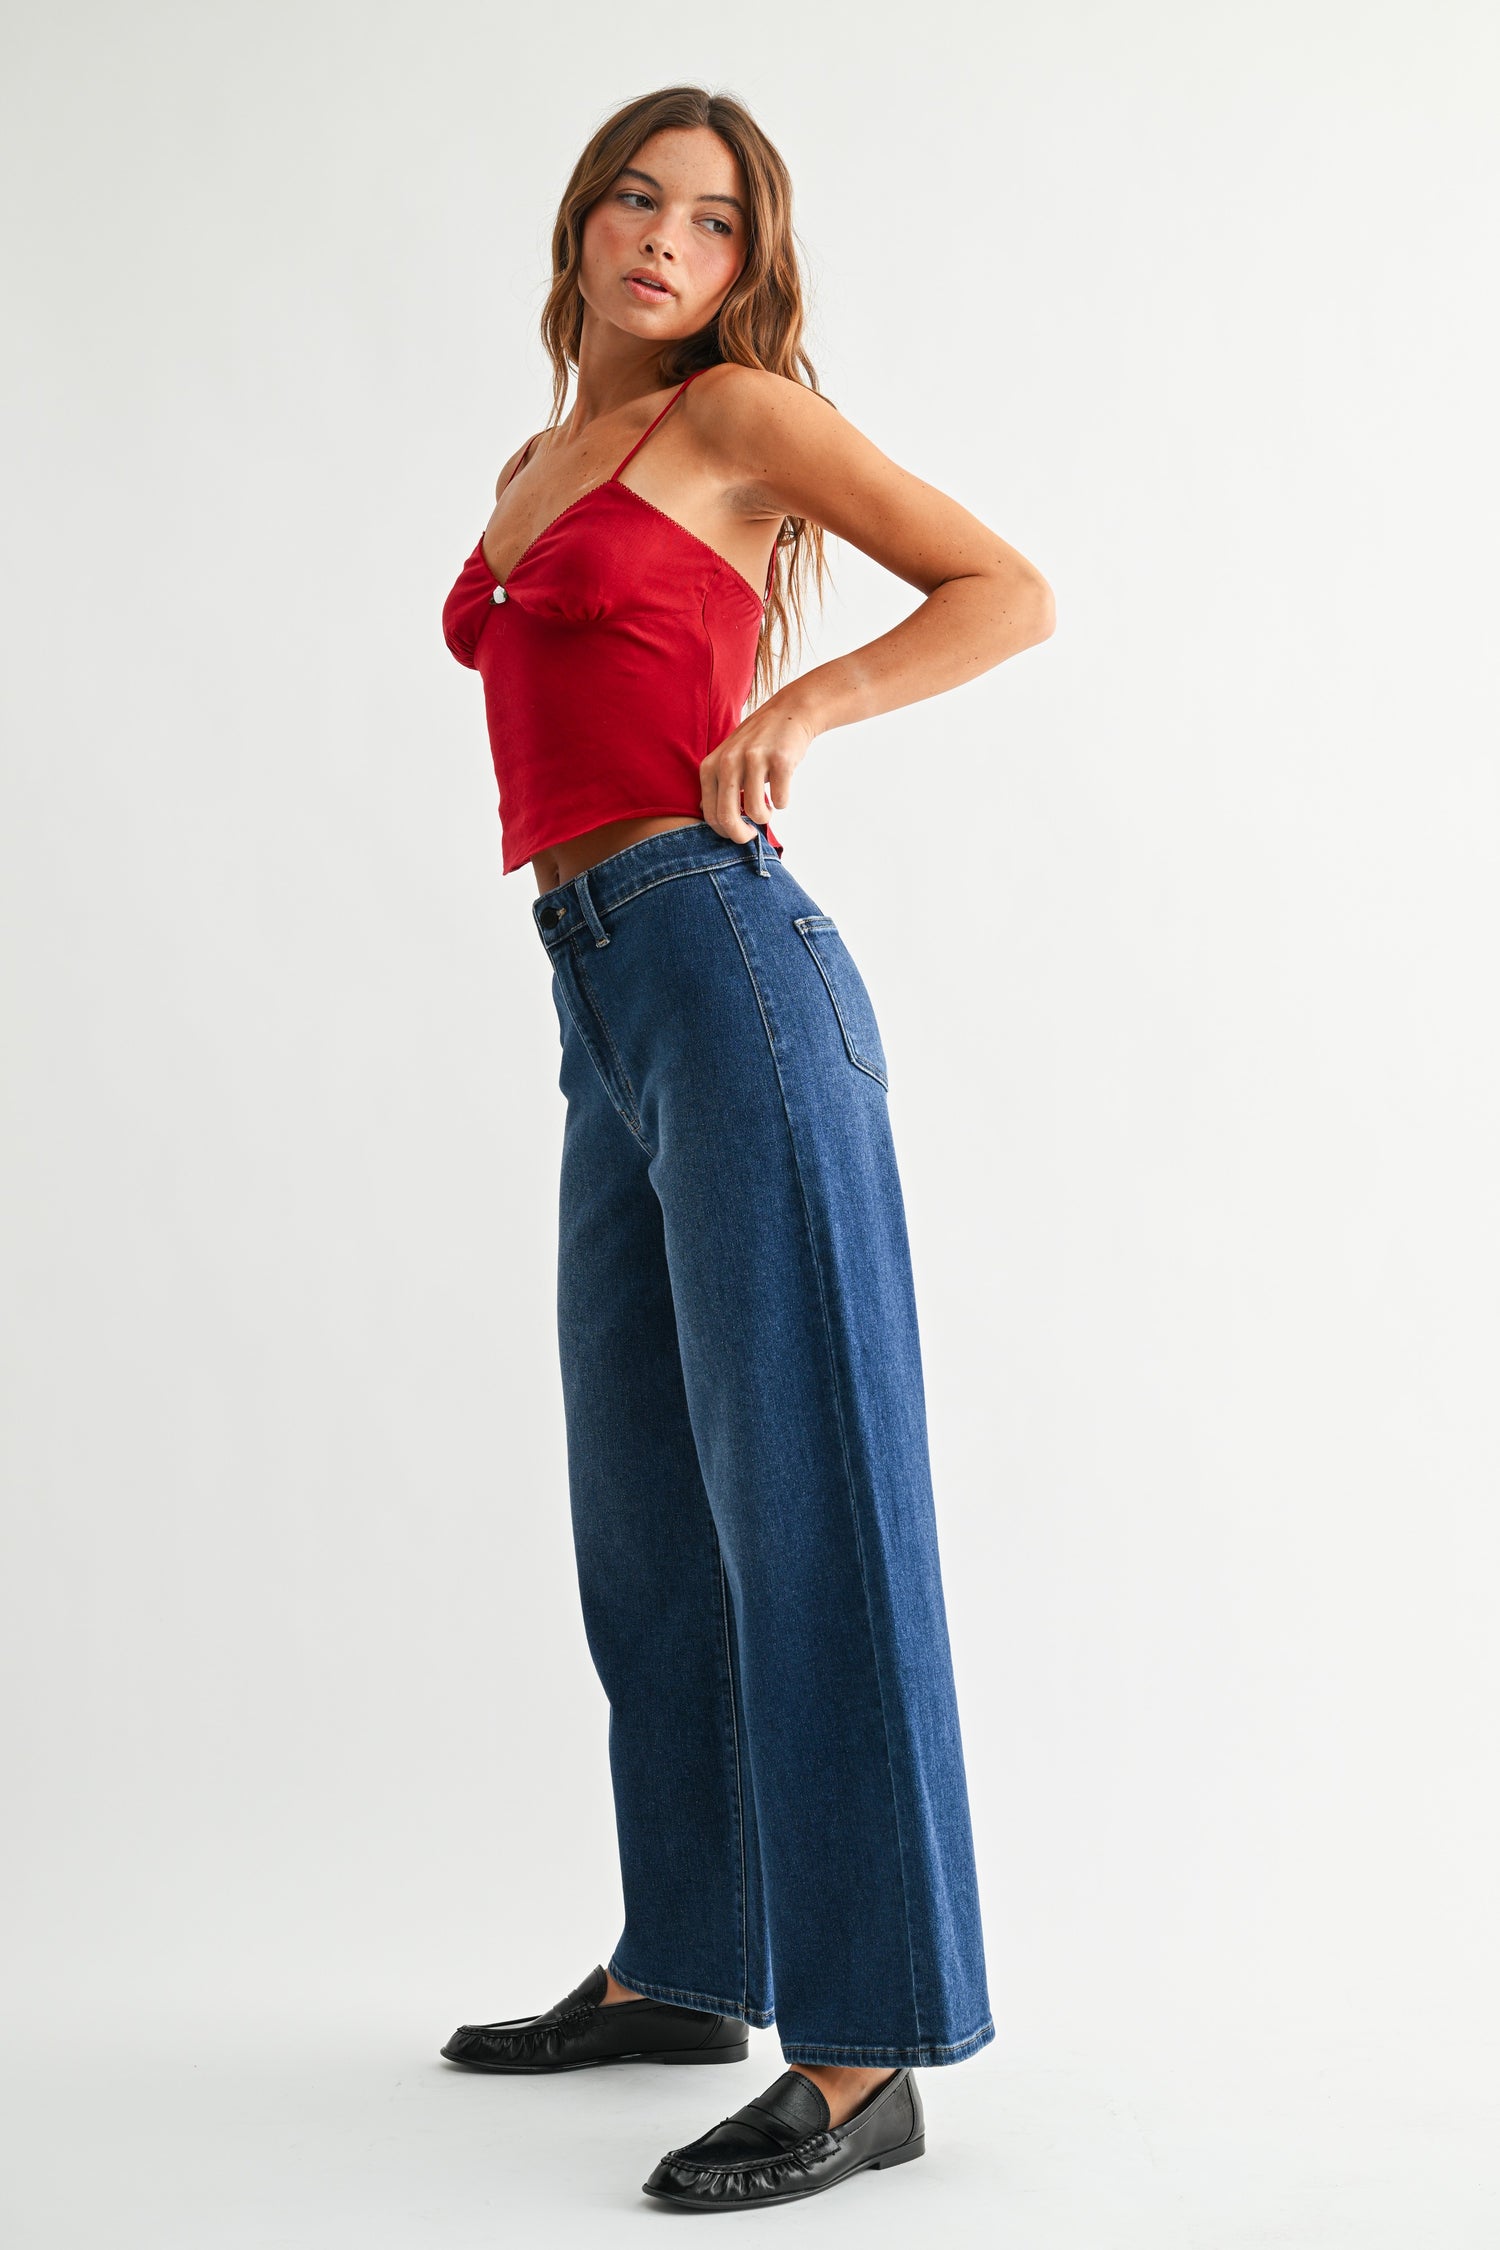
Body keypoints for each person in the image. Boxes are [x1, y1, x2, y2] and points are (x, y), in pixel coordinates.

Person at [438, 83, 1054, 2212]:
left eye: (708, 219)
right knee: (644, 1512)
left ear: (744, 265)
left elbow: (1004, 588)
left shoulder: (746, 422)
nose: (661, 239)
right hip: (598, 988)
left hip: (728, 960)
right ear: (582, 223)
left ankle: (868, 2047)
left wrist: (808, 711)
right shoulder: (538, 464)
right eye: (633, 197)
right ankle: (688, 1963)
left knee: (810, 1493)